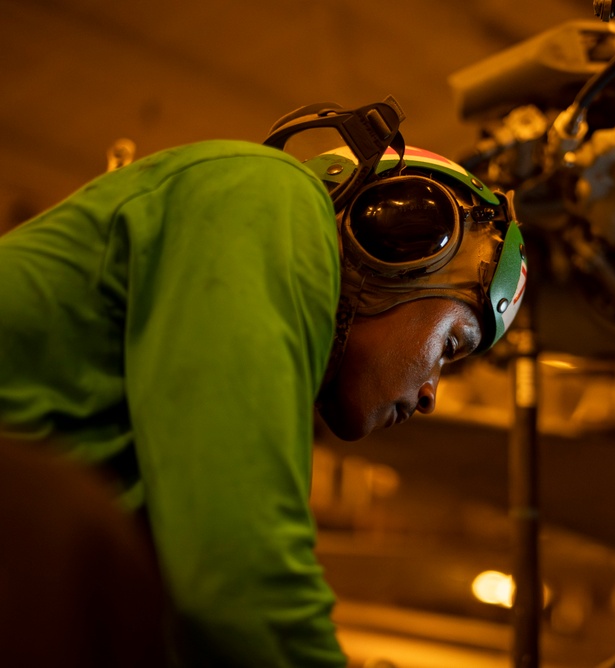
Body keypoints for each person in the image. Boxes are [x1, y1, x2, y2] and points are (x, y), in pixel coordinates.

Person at [0, 96, 528, 666]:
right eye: (450, 347)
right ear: (402, 248)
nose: (430, 394)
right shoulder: (269, 193)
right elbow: (240, 579)